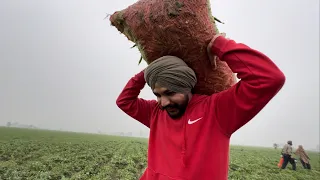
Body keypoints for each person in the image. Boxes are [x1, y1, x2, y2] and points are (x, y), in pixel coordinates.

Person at [116, 33, 286, 179]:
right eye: (157, 95)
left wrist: (220, 45)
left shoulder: (216, 110)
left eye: (170, 93)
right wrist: (148, 71)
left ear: (186, 87)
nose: (163, 102)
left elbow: (269, 78)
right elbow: (124, 101)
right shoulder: (155, 113)